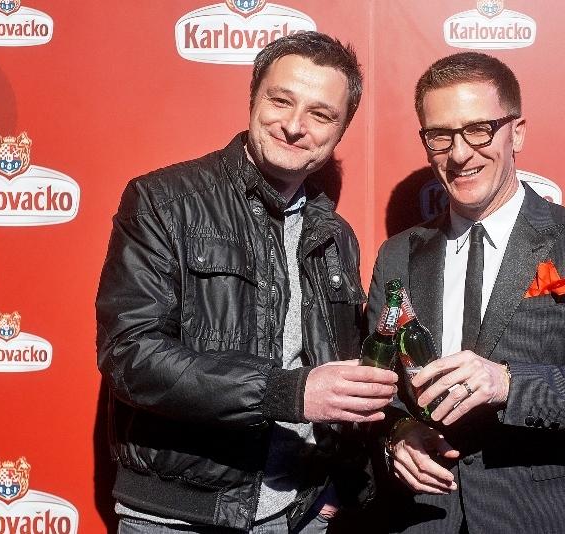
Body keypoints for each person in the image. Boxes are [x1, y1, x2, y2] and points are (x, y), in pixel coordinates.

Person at [96, 32, 398, 534]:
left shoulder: (336, 236)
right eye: (281, 101)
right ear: (253, 98)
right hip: (179, 516)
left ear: (341, 130)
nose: (295, 126)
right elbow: (130, 356)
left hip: (300, 515)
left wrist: (337, 485)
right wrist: (286, 391)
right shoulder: (164, 201)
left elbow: (340, 375)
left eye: (321, 114)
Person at [366, 52, 565, 533]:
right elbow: (380, 393)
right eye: (440, 135)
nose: (459, 154)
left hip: (537, 519)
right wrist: (399, 433)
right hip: (422, 519)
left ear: (517, 133)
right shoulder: (398, 254)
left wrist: (507, 383)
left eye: (479, 130)